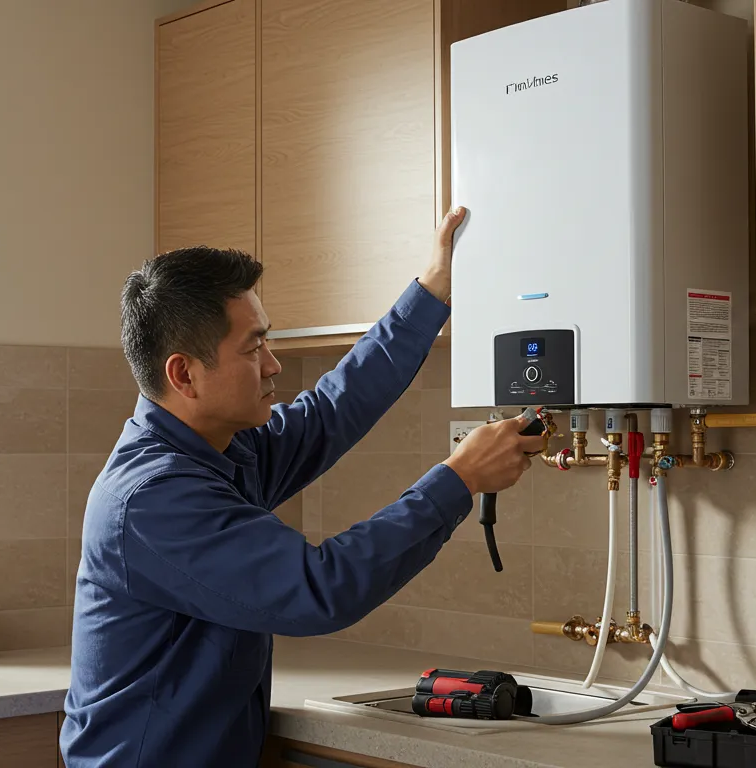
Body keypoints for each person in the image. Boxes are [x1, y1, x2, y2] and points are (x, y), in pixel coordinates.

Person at [61, 206, 544, 766]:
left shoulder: (223, 449)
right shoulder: (153, 497)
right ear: (183, 374)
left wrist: (433, 291)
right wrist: (459, 479)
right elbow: (319, 589)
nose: (273, 366)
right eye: (252, 348)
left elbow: (333, 409)